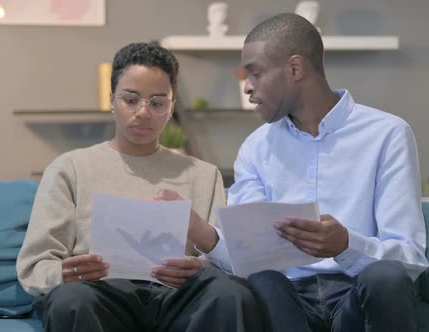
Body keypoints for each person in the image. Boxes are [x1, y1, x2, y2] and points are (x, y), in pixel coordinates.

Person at [16, 42, 268, 332]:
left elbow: (226, 261)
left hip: (178, 297)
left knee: (232, 294)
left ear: (171, 108)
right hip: (99, 294)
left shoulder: (204, 175)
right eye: (131, 99)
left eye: (158, 102)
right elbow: (35, 266)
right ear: (112, 100)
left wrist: (200, 267)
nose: (144, 112)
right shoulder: (69, 169)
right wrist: (65, 272)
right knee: (70, 300)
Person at [204, 13, 429, 332]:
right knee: (262, 277)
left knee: (387, 275)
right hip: (285, 303)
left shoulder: (387, 134)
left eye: (255, 74)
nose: (248, 88)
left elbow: (409, 259)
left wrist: (346, 245)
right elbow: (248, 256)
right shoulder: (255, 148)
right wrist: (204, 236)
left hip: (357, 295)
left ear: (295, 69)